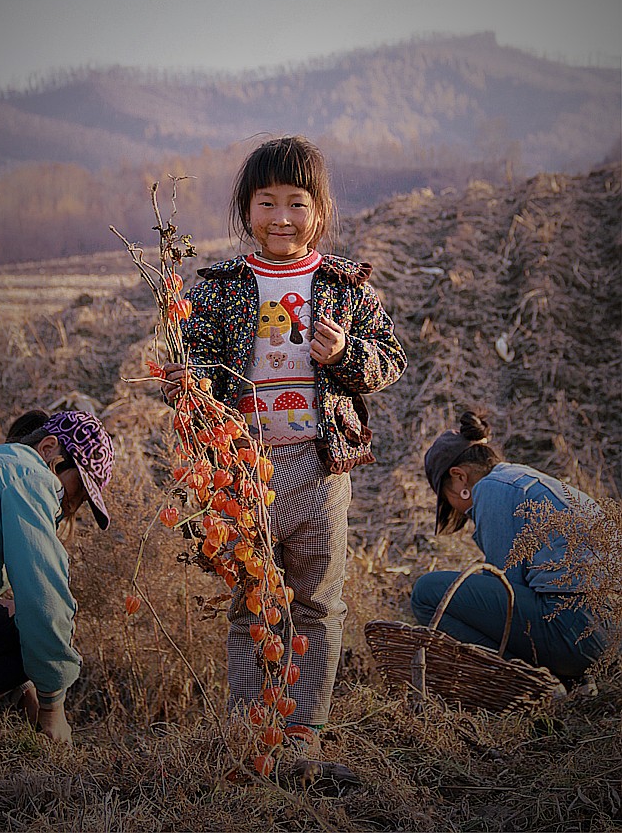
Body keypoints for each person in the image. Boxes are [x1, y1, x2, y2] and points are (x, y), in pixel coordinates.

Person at [161, 135, 407, 781]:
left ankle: (302, 735)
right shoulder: (220, 287)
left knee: (318, 603)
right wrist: (192, 391)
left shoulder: (344, 286)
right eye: (266, 203)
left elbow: (392, 360)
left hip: (322, 468)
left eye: (295, 204)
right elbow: (184, 365)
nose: (280, 219)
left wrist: (345, 354)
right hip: (245, 471)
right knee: (251, 602)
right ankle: (251, 732)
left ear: (319, 212)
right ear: (247, 211)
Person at [0, 409, 114, 743]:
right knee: (30, 623)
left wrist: (27, 687)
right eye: (72, 495)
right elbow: (44, 602)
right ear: (49, 450)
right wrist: (53, 706)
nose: (66, 510)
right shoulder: (30, 475)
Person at [411, 410, 611, 681]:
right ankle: (570, 680)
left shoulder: (492, 489)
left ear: (459, 477)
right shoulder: (521, 479)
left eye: (447, 500)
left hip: (574, 632)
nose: (456, 511)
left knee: (426, 593)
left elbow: (506, 587)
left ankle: (527, 680)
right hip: (608, 633)